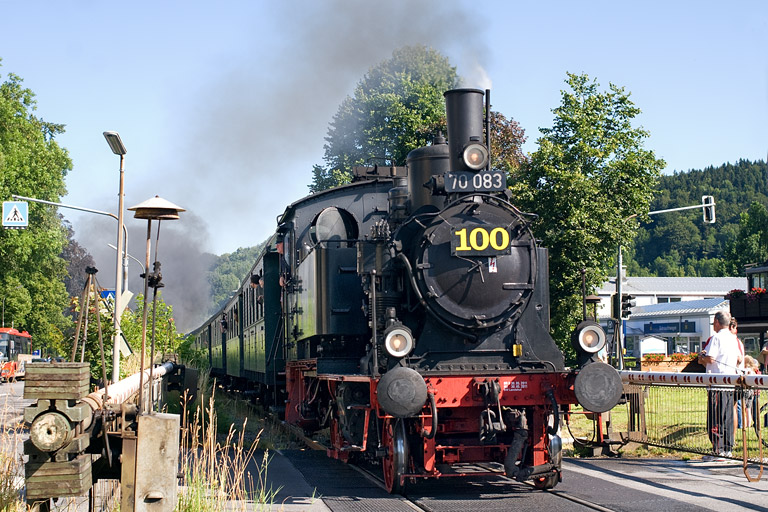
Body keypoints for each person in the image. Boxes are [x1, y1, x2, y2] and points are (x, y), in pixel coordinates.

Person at [698, 310, 740, 461]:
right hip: (730, 382)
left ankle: (718, 450)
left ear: (716, 322)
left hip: (716, 383)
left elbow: (710, 358)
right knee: (727, 416)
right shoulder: (733, 338)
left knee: (715, 417)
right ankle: (727, 449)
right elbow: (738, 359)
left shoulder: (716, 338)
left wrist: (701, 357)